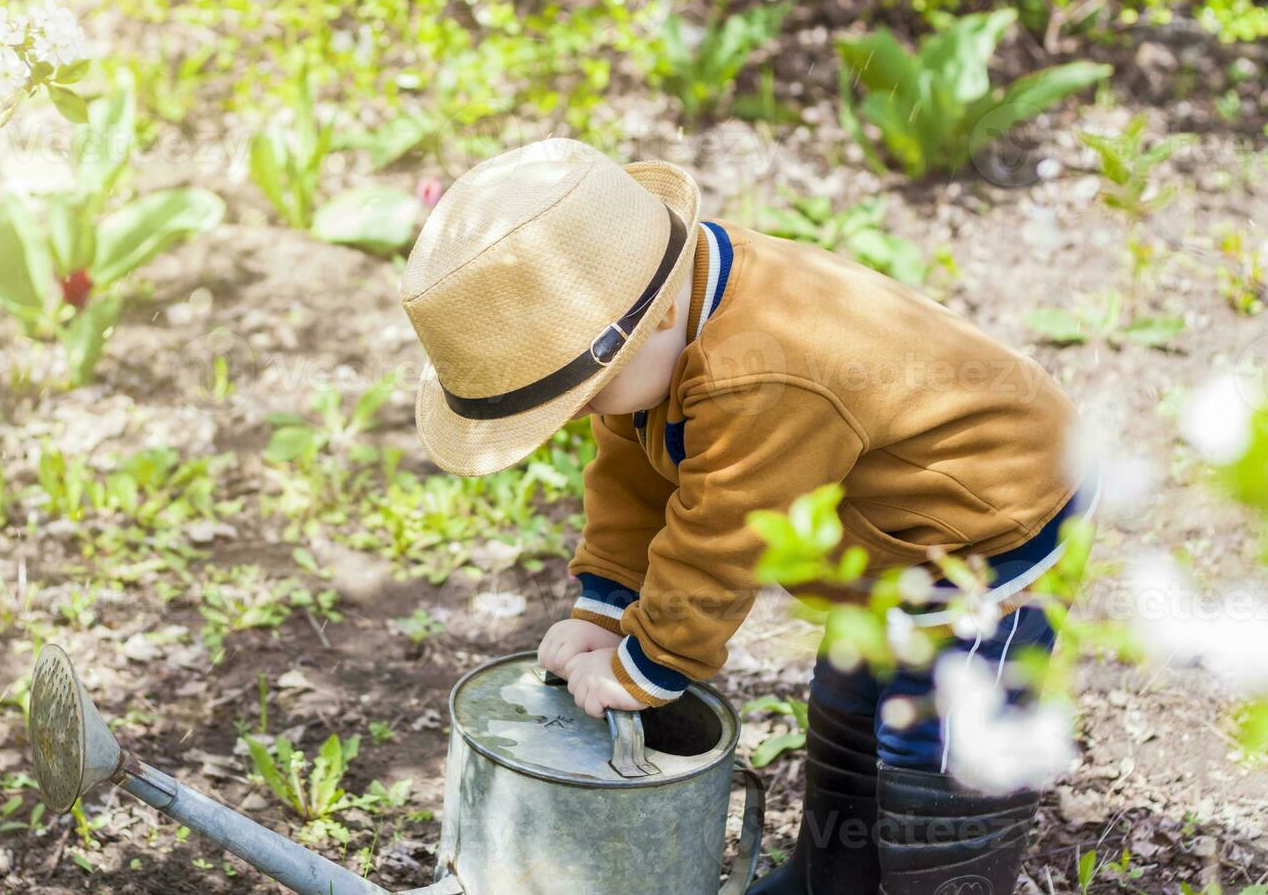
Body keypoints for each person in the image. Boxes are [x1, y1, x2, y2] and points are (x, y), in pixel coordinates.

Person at [399, 137, 1086, 895]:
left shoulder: (759, 372)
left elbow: (723, 534)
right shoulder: (656, 316)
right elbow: (628, 479)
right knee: (852, 706)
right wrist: (606, 603)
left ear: (652, 316)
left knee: (942, 743)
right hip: (890, 539)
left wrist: (647, 667)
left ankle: (943, 882)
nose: (579, 414)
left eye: (581, 395)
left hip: (987, 528)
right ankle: (833, 879)